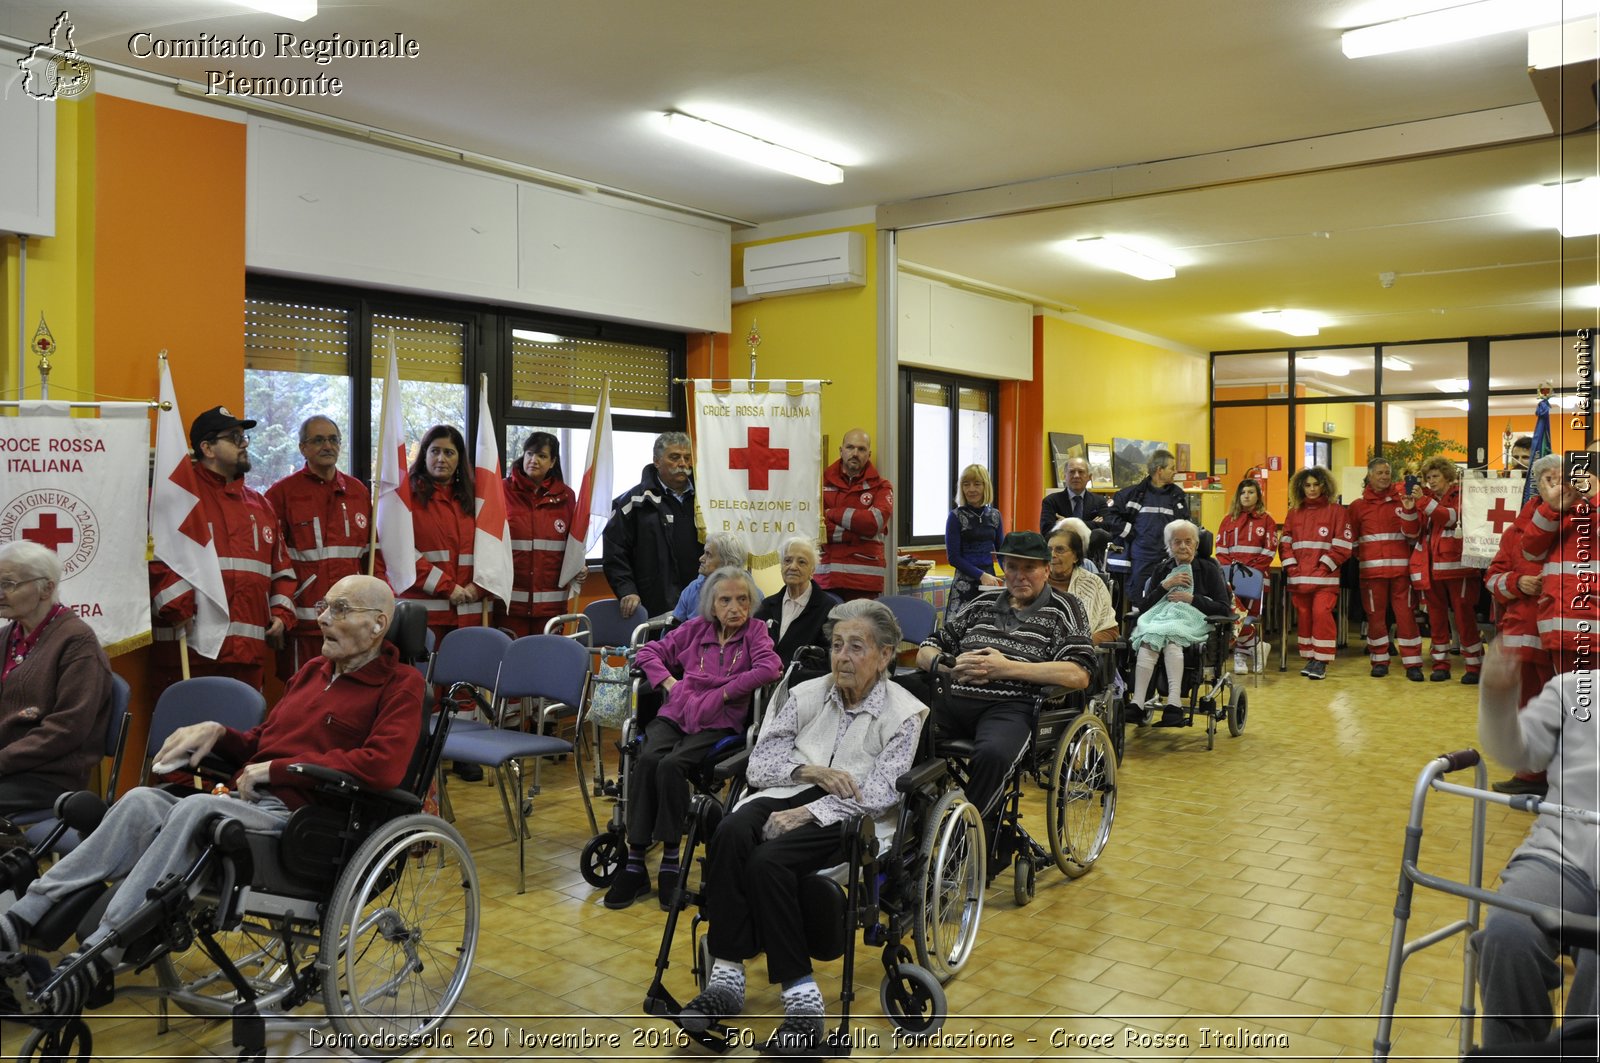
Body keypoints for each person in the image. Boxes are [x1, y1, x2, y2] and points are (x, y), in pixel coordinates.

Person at [0, 574, 422, 1020]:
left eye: (339, 610)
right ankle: (19, 919)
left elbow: (382, 766)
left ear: (378, 625)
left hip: (309, 821)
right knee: (141, 799)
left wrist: (277, 770)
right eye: (323, 606)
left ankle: (100, 951)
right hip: (251, 803)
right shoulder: (313, 672)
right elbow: (263, 742)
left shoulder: (402, 685)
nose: (321, 619)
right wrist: (217, 733)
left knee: (198, 809)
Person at [679, 599, 926, 1055]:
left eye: (856, 647)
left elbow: (879, 795)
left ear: (885, 655)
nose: (842, 657)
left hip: (854, 816)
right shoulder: (806, 694)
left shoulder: (903, 713)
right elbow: (761, 763)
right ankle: (727, 978)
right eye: (836, 646)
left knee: (768, 862)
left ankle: (803, 1002)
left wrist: (810, 813)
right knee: (730, 831)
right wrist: (809, 774)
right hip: (790, 789)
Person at [604, 567, 781, 910]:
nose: (734, 607)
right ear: (712, 605)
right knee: (647, 759)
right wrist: (670, 684)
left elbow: (770, 668)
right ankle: (636, 861)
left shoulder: (755, 633)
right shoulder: (695, 629)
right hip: (678, 712)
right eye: (725, 600)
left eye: (742, 599)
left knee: (671, 765)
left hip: (720, 720)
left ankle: (671, 860)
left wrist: (727, 693)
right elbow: (646, 653)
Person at [913, 531, 1094, 840]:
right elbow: (925, 650)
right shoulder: (980, 603)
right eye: (1012, 567)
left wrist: (1007, 668)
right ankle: (913, 833)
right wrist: (950, 666)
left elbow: (1079, 674)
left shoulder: (1066, 608)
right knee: (904, 735)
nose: (1019, 576)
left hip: (1012, 707)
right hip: (954, 696)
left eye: (1029, 568)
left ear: (1046, 570)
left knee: (994, 754)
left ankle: (964, 842)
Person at [1472, 639, 1598, 1048]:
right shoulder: (1576, 690)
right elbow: (1519, 754)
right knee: (1509, 932)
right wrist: (1497, 696)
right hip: (1563, 854)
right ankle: (1513, 1055)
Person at [150, 406, 296, 692]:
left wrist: (281, 614)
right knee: (187, 735)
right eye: (234, 437)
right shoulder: (178, 498)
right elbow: (157, 559)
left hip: (247, 655)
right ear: (207, 448)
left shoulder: (261, 505)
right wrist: (177, 608)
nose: (244, 444)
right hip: (189, 649)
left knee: (241, 734)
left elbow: (283, 572)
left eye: (244, 437)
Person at [0, 542, 114, 817]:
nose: (1, 593)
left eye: (9, 584)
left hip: (49, 776)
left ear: (47, 589)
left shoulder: (77, 641)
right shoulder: (8, 635)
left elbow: (67, 728)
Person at [265, 416, 379, 678]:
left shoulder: (357, 492)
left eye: (333, 440)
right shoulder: (281, 494)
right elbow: (271, 562)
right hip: (303, 625)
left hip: (351, 623)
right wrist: (279, 615)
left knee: (348, 698)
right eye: (318, 440)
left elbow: (371, 557)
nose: (327, 446)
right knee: (301, 699)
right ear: (302, 448)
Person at [1483, 454, 1558, 798]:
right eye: (1548, 478)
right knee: (1526, 704)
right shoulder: (1515, 530)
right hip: (1524, 633)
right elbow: (1493, 578)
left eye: (1560, 477)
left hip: (1561, 635)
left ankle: (1562, 776)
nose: (1555, 485)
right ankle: (1530, 774)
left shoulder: (1577, 525)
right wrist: (1517, 582)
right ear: (1537, 485)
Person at [1126, 520, 1231, 725]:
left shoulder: (1208, 568)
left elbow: (1223, 608)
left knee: (1173, 637)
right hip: (1161, 618)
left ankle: (1173, 703)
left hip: (1193, 619)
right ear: (1169, 545)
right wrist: (1165, 585)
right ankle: (1137, 703)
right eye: (1177, 542)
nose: (1183, 546)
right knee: (1149, 638)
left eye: (1188, 541)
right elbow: (1145, 606)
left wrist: (1192, 599)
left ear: (1196, 545)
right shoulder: (1162, 569)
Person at [1519, 445, 1600, 678]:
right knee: (1568, 707)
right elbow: (1530, 552)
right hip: (1562, 630)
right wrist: (1552, 508)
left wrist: (1596, 495)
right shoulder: (1565, 509)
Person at [603, 431, 701, 620]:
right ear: (657, 461)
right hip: (654, 605)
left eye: (687, 458)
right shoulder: (633, 503)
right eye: (674, 457)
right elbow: (614, 552)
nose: (683, 464)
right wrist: (627, 590)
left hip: (701, 605)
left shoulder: (706, 498)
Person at [1344, 457, 1424, 681]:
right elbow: (1353, 540)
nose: (1384, 477)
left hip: (1401, 573)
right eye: (1379, 473)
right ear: (1370, 476)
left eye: (1387, 473)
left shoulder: (1403, 500)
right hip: (1371, 574)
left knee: (1406, 617)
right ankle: (1379, 660)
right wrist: (1366, 558)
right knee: (1375, 619)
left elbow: (1413, 533)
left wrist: (1409, 510)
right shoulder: (1357, 507)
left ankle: (1412, 663)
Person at [498, 431, 583, 637]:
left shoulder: (567, 496)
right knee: (512, 663)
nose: (533, 460)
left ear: (553, 461)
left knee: (547, 664)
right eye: (529, 454)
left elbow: (573, 544)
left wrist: (580, 565)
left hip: (551, 608)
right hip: (510, 606)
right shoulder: (500, 490)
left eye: (542, 456)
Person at [1410, 456, 1481, 683]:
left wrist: (1422, 502)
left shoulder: (1463, 495)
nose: (1431, 481)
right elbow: (1415, 532)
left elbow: (1451, 518)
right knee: (1436, 619)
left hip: (1458, 568)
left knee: (1464, 618)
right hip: (1430, 567)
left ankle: (1474, 666)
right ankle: (1440, 664)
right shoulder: (1427, 498)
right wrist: (1409, 509)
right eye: (1428, 477)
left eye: (1435, 476)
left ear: (1447, 476)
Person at [1280, 466, 1351, 681]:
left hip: (1325, 579)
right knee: (1304, 617)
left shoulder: (1337, 511)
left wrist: (1323, 567)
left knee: (1321, 615)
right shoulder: (1294, 512)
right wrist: (1292, 567)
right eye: (1307, 485)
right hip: (1299, 578)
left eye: (1316, 484)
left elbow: (1343, 545)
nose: (1311, 489)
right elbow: (1285, 543)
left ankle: (1321, 660)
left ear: (1324, 485)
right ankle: (1310, 657)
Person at [1105, 450, 1190, 610]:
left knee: (1168, 604)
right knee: (1140, 605)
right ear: (1159, 470)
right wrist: (1130, 532)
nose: (1175, 472)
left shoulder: (1177, 497)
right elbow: (1110, 518)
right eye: (1171, 468)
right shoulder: (1131, 495)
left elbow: (1185, 525)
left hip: (1169, 561)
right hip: (1141, 561)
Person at [817, 428, 893, 601]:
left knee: (862, 628)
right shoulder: (819, 484)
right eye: (850, 447)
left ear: (869, 454)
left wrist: (833, 513)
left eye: (861, 449)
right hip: (826, 579)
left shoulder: (882, 486)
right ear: (841, 450)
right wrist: (858, 531)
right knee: (828, 629)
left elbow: (874, 523)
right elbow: (816, 529)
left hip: (864, 582)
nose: (855, 453)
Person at [1215, 477, 1278, 675]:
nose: (1246, 496)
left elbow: (1270, 549)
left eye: (1251, 492)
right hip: (1231, 578)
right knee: (1235, 615)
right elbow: (1221, 549)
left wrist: (1252, 570)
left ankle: (1243, 654)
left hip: (1256, 577)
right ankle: (1256, 647)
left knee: (1249, 616)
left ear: (1258, 496)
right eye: (1243, 493)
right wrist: (1232, 570)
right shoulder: (1228, 520)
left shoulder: (1267, 520)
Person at [753, 536, 840, 668]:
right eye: (787, 560)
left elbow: (830, 656)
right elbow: (751, 647)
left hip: (802, 683)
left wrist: (788, 668)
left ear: (812, 571)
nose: (793, 567)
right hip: (762, 683)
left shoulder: (829, 609)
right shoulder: (766, 606)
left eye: (802, 562)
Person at [944, 464, 1004, 619]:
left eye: (977, 484)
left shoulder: (995, 515)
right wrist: (981, 575)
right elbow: (954, 558)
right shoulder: (955, 517)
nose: (971, 489)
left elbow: (1001, 552)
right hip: (964, 584)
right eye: (966, 484)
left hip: (990, 582)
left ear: (986, 486)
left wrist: (1011, 575)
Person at [1046, 523, 1116, 643]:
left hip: (1077, 654)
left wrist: (1081, 643)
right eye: (1049, 550)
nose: (1053, 555)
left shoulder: (1093, 584)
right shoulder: (1034, 581)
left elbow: (1110, 630)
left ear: (1076, 556)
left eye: (1060, 550)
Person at [673, 532, 761, 622]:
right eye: (704, 553)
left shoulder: (754, 596)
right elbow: (672, 627)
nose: (701, 559)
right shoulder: (693, 589)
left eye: (709, 554)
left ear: (728, 563)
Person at [1039, 455, 1108, 536]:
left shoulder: (1100, 502)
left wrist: (1066, 523)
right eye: (1072, 472)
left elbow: (1106, 527)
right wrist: (1091, 524)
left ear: (1089, 477)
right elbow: (1046, 529)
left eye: (1081, 472)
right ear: (1064, 476)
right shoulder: (1051, 501)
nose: (1076, 476)